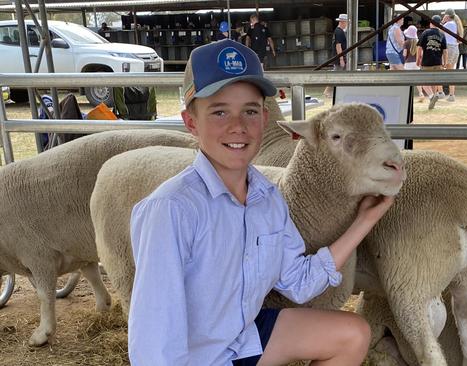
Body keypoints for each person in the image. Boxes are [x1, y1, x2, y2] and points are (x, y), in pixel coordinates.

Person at [128, 39, 394, 366]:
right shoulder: (171, 209)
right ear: (191, 122)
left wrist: (364, 221)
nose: (237, 126)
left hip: (241, 338)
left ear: (265, 118)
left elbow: (298, 282)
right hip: (195, 356)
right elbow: (154, 339)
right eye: (219, 111)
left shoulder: (267, 198)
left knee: (352, 334)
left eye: (250, 111)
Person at [417, 15, 447, 110]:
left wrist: (418, 60)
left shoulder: (426, 32)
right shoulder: (442, 34)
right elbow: (445, 51)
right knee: (434, 82)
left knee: (422, 80)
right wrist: (444, 63)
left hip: (427, 62)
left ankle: (431, 96)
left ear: (431, 23)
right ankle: (433, 99)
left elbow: (419, 47)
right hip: (438, 62)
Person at [441, 8, 464, 102]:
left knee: (442, 69)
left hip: (449, 47)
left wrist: (442, 22)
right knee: (451, 71)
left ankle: (442, 92)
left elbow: (439, 31)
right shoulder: (456, 24)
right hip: (455, 48)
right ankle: (451, 94)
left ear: (447, 16)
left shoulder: (448, 24)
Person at [323, 13, 348, 98]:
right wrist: (341, 59)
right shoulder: (339, 32)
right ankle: (327, 91)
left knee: (339, 75)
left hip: (339, 57)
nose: (347, 24)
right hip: (339, 57)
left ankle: (336, 91)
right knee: (336, 75)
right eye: (346, 22)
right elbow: (338, 46)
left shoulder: (338, 31)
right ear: (343, 22)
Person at [403, 25, 428, 102]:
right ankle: (421, 94)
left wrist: (404, 59)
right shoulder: (419, 42)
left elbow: (404, 54)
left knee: (407, 80)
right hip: (417, 63)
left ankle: (407, 95)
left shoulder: (406, 43)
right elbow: (421, 54)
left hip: (408, 63)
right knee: (418, 80)